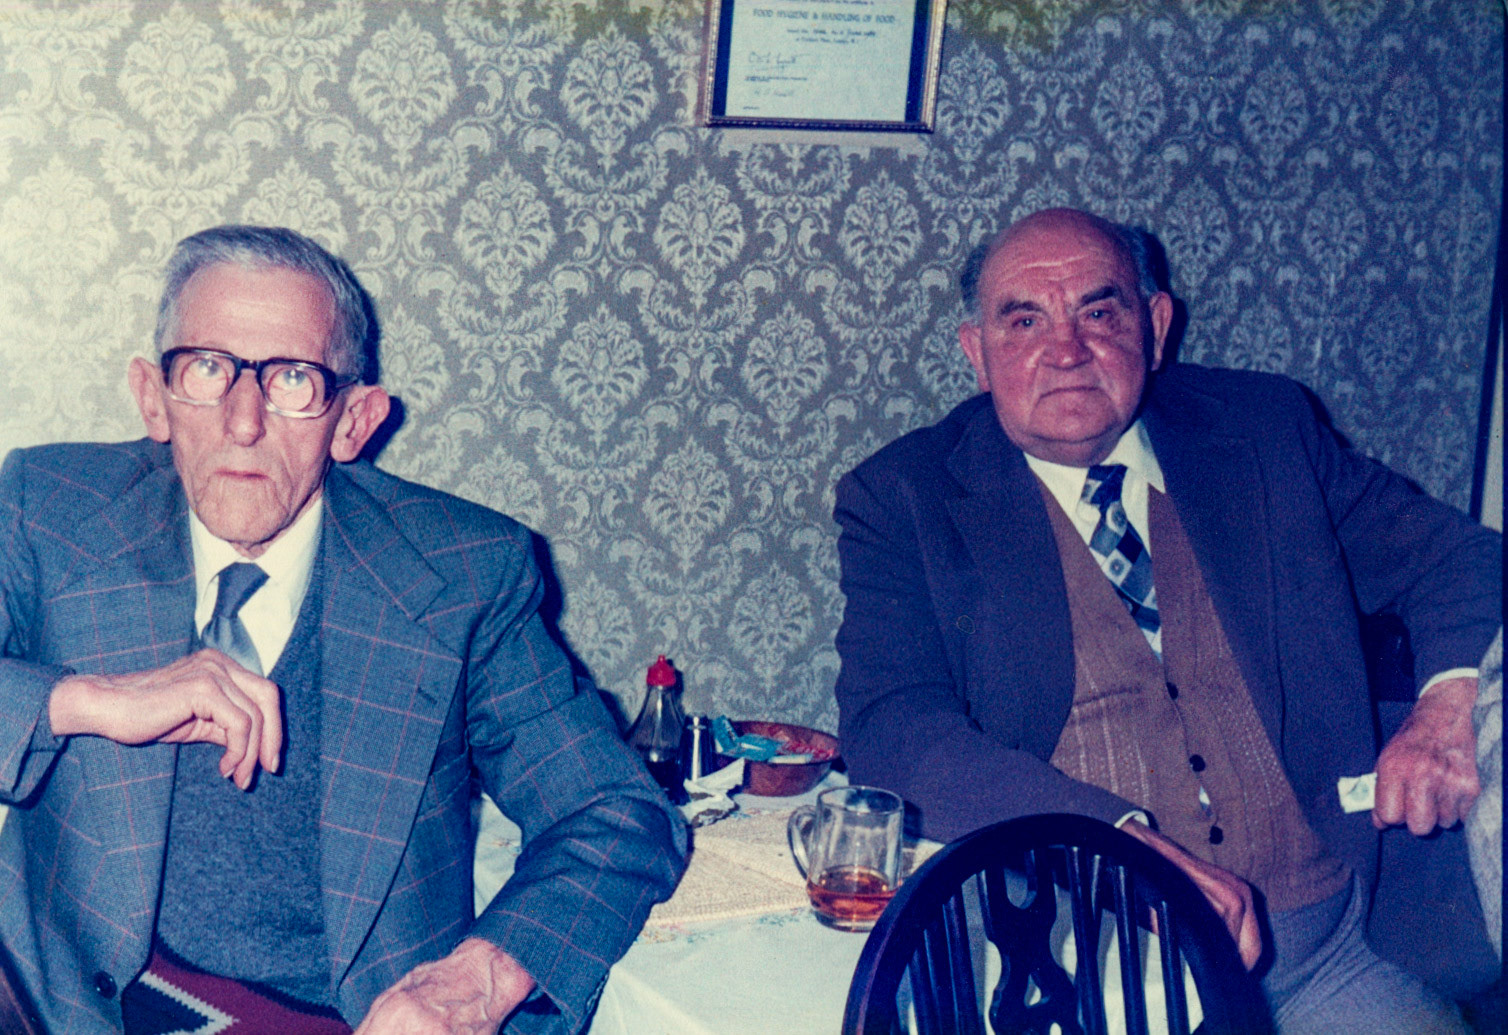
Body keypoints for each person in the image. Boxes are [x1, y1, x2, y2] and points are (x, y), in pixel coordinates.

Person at [0, 225, 686, 1034]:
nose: (243, 420)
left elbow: (614, 811)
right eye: (209, 369)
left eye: (293, 378)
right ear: (155, 396)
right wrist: (85, 700)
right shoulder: (52, 510)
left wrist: (472, 983)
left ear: (354, 421)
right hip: (61, 1007)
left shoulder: (462, 574)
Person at [833, 207, 1501, 1032]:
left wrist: (1447, 706)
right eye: (1025, 320)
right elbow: (892, 724)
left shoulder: (1264, 433)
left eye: (1100, 312)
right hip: (1096, 972)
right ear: (978, 354)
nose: (1067, 349)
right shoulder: (907, 497)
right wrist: (1119, 845)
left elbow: (1463, 558)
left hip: (1329, 949)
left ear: (1153, 326)